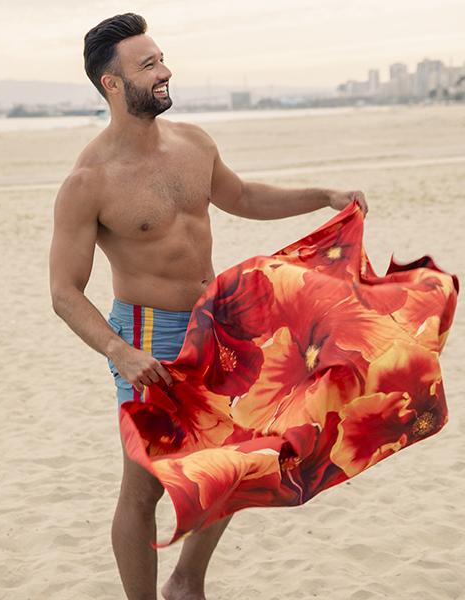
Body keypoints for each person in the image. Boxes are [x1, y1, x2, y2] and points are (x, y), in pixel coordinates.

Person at [49, 12, 368, 600]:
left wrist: (321, 197)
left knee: (235, 463)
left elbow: (241, 196)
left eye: (161, 57)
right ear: (112, 84)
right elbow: (64, 292)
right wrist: (120, 352)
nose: (165, 70)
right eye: (148, 65)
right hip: (148, 337)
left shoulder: (193, 143)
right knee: (145, 487)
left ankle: (186, 581)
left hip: (216, 324)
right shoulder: (89, 180)